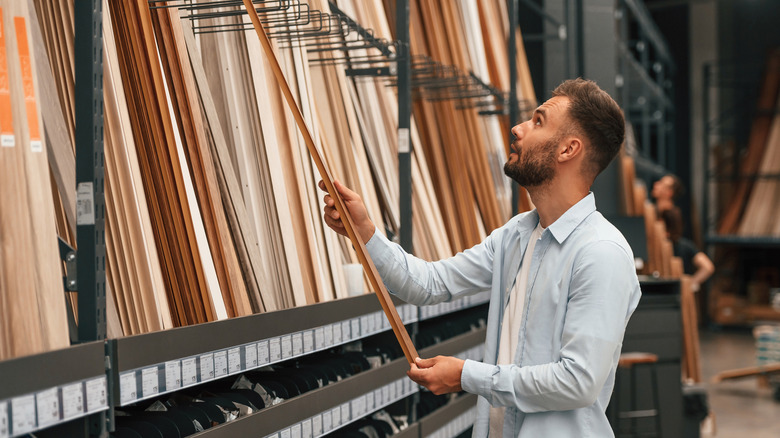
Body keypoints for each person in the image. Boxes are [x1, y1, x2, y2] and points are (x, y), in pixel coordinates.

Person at [319, 78, 641, 438]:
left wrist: (465, 375)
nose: (517, 129)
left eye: (538, 121)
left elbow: (577, 382)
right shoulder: (516, 235)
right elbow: (429, 284)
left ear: (568, 149)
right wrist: (365, 233)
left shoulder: (600, 253)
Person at [660, 209, 715, 292]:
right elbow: (707, 267)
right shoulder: (686, 245)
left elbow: (708, 267)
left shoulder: (684, 247)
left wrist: (690, 284)